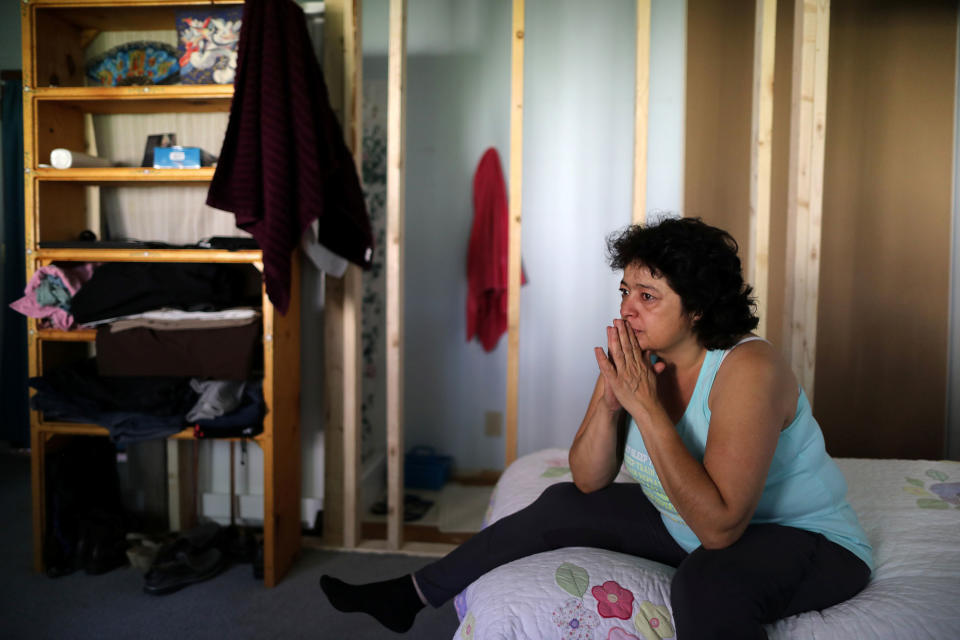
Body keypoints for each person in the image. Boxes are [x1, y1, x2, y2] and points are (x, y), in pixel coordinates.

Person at [321, 217, 873, 638]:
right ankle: (412, 594)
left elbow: (721, 531)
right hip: (690, 525)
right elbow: (589, 479)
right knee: (563, 501)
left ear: (699, 308)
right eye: (625, 293)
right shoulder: (641, 357)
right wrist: (611, 400)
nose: (628, 310)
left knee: (706, 581)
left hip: (804, 540)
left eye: (648, 297)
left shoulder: (748, 368)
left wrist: (648, 409)